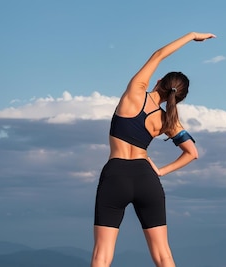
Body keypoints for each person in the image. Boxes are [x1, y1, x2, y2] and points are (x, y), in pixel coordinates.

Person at [90, 32, 216, 267]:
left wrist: (191, 36)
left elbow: (158, 55)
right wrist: (160, 172)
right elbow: (192, 152)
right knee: (163, 255)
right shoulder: (168, 120)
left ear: (159, 81)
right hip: (146, 178)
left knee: (102, 254)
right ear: (177, 100)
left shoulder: (134, 93)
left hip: (115, 175)